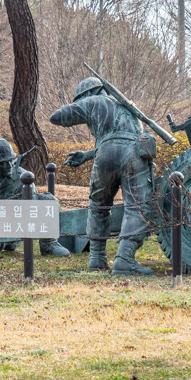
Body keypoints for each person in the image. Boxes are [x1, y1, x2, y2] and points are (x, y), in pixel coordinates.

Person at [49, 77, 156, 276]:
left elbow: (56, 117)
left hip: (107, 154)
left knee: (98, 206)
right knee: (137, 208)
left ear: (87, 95)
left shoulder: (94, 101)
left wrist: (81, 106)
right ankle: (125, 259)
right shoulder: (128, 108)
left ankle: (97, 258)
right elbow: (118, 138)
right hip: (135, 153)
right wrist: (86, 155)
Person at [0, 138, 70, 256]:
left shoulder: (23, 177)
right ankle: (2, 242)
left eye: (10, 160)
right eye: (2, 163)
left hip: (17, 222)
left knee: (49, 201)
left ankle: (48, 244)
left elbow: (34, 209)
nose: (8, 165)